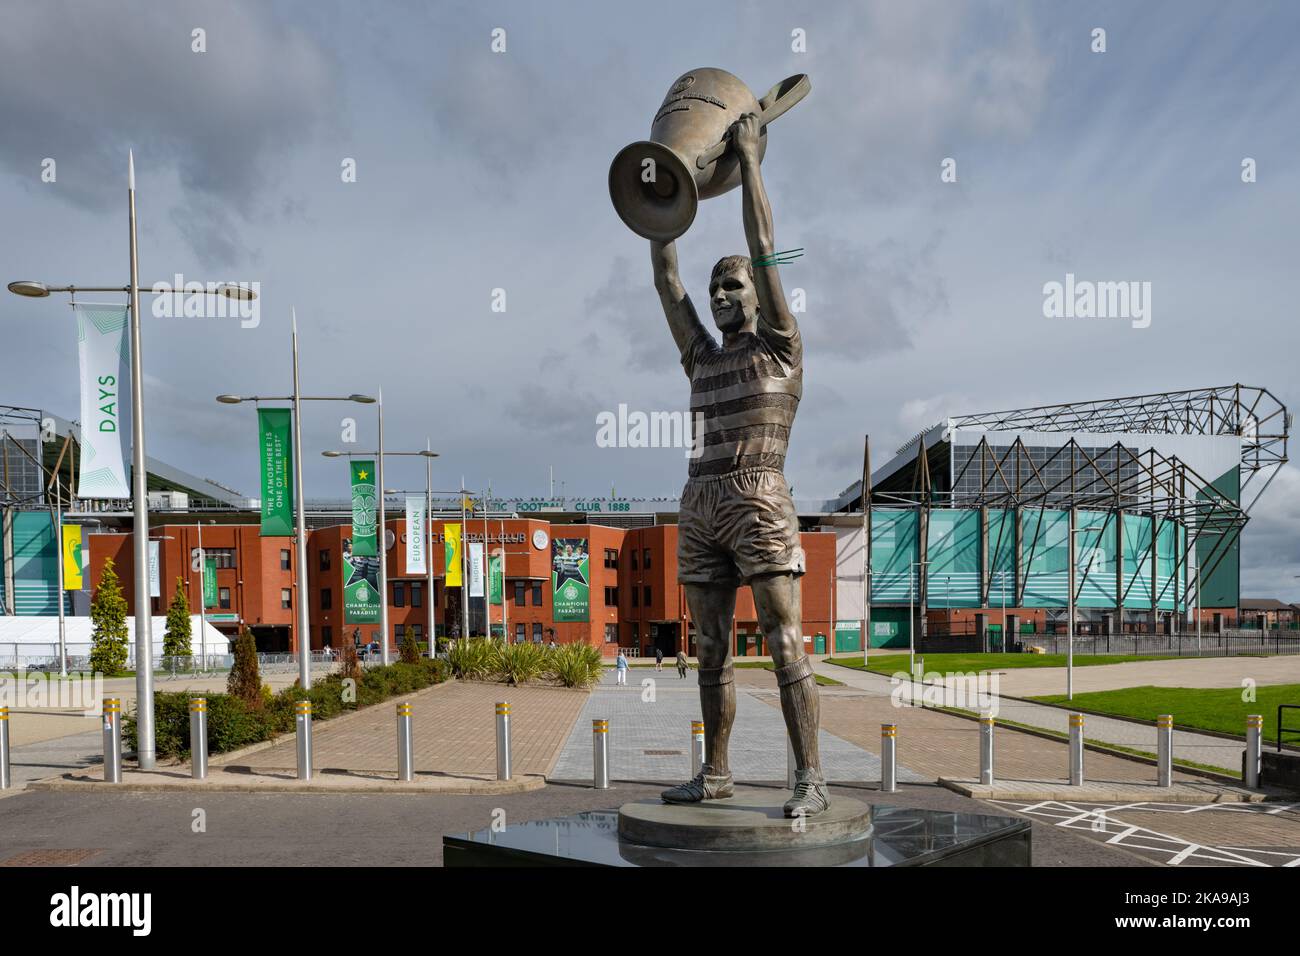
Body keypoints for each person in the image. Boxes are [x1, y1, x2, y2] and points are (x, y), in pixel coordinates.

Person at [651, 112, 827, 818]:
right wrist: (659, 192)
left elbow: (764, 245)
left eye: (735, 288)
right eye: (717, 289)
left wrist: (750, 159)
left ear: (759, 294)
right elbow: (666, 277)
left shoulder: (781, 346)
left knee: (786, 644)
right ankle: (716, 773)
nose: (723, 297)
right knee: (711, 651)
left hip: (760, 497)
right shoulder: (701, 356)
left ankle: (809, 778)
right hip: (701, 502)